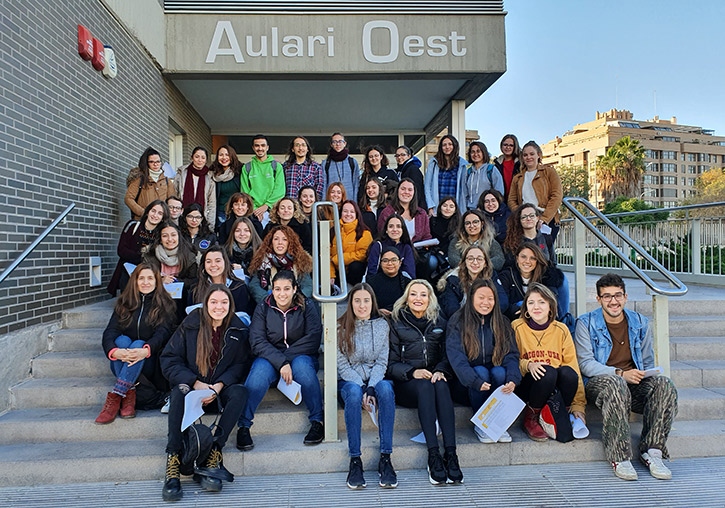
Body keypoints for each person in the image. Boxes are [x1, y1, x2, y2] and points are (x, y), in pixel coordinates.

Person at [575, 273, 678, 481]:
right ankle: (619, 456)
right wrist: (620, 374)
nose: (613, 301)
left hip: (633, 383)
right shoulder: (585, 323)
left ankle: (652, 451)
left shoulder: (639, 322)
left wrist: (648, 375)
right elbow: (585, 364)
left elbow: (647, 360)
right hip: (601, 383)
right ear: (598, 299)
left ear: (625, 296)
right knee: (615, 383)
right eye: (607, 296)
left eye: (618, 295)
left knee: (664, 384)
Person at [160, 285, 251, 501]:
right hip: (191, 390)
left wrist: (220, 385)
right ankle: (173, 458)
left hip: (218, 392)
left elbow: (241, 364)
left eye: (224, 302)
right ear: (205, 304)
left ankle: (213, 452)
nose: (219, 307)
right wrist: (194, 382)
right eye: (214, 302)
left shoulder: (237, 329)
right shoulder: (190, 324)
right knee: (178, 392)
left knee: (240, 392)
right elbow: (169, 359)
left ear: (230, 305)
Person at [237, 270, 324, 450]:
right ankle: (244, 425)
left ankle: (318, 421)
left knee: (302, 367)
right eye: (277, 289)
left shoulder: (307, 306)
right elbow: (257, 340)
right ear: (272, 290)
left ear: (295, 289)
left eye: (286, 288)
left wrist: (285, 359)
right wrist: (281, 362)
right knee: (259, 372)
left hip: (302, 356)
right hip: (270, 358)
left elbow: (313, 338)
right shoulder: (263, 307)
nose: (281, 293)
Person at [388, 280, 463, 485]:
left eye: (423, 294)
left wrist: (440, 370)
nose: (418, 299)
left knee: (440, 384)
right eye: (413, 294)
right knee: (424, 385)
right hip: (408, 384)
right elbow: (390, 363)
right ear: (406, 298)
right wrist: (412, 372)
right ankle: (433, 454)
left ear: (430, 298)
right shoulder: (396, 321)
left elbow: (450, 354)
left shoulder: (440, 321)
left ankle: (451, 453)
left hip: (434, 379)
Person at [96, 264, 177, 424]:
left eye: (150, 278)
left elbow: (163, 333)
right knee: (121, 341)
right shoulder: (124, 303)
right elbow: (110, 331)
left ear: (156, 281)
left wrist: (146, 350)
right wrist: (113, 351)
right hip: (125, 358)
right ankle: (128, 394)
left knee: (139, 343)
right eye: (141, 278)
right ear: (135, 281)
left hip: (149, 361)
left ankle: (117, 395)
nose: (145, 282)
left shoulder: (165, 303)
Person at [337, 283, 397, 489]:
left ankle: (386, 458)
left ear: (372, 303)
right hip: (349, 382)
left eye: (366, 300)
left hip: (375, 378)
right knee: (353, 394)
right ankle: (355, 460)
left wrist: (371, 388)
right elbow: (342, 364)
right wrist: (362, 388)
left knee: (386, 390)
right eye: (357, 300)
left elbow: (382, 362)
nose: (362, 305)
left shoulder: (382, 326)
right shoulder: (340, 327)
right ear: (350, 303)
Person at [446, 278, 520, 443]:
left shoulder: (502, 322)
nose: (486, 302)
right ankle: (482, 424)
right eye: (481, 297)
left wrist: (512, 379)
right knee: (480, 372)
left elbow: (512, 354)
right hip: (466, 384)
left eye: (490, 298)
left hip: (493, 382)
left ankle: (498, 423)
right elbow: (456, 357)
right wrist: (473, 380)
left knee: (500, 372)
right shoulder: (458, 320)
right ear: (472, 298)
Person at [512, 283, 586, 442]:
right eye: (531, 303)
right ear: (525, 308)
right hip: (529, 384)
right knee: (548, 372)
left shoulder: (561, 329)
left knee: (568, 373)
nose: (536, 307)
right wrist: (528, 365)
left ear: (551, 307)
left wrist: (578, 406)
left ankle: (558, 413)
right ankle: (531, 417)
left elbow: (573, 366)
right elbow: (509, 360)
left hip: (554, 387)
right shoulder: (517, 327)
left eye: (542, 302)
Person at [108, 200, 169, 296]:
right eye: (153, 211)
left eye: (160, 213)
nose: (155, 215)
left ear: (163, 218)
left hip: (149, 274)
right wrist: (142, 256)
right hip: (128, 272)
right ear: (148, 211)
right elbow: (121, 250)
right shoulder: (132, 225)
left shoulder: (162, 234)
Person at [507, 141, 563, 242]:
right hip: (526, 220)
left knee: (544, 254)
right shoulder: (517, 178)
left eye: (532, 154)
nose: (528, 157)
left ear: (539, 155)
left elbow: (557, 196)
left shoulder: (549, 172)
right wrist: (521, 214)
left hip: (547, 219)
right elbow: (511, 200)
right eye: (525, 155)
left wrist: (544, 219)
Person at [143, 222, 198, 319]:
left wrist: (175, 282)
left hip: (180, 299)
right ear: (160, 239)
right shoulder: (151, 255)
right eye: (165, 236)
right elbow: (144, 278)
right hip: (156, 297)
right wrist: (161, 280)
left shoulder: (189, 255)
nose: (170, 239)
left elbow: (194, 280)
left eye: (173, 235)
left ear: (179, 237)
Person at [497, 242, 564, 321]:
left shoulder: (547, 276)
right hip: (514, 321)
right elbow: (504, 306)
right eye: (523, 257)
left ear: (537, 260)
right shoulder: (507, 276)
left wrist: (527, 309)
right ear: (517, 258)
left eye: (532, 258)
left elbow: (551, 304)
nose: (527, 261)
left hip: (540, 320)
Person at [248, 225, 313, 303]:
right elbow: (254, 286)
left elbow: (308, 286)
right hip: (268, 304)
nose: (280, 243)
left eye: (284, 239)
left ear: (290, 242)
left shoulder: (299, 260)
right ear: (271, 242)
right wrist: (269, 300)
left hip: (294, 304)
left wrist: (294, 301)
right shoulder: (261, 260)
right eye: (276, 239)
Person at [438, 245, 508, 319]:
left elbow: (503, 302)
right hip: (463, 321)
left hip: (487, 318)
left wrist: (485, 316)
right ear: (464, 262)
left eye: (479, 259)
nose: (475, 262)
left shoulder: (491, 276)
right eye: (470, 258)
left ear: (485, 263)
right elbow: (451, 309)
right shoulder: (453, 279)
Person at [190, 246, 253, 317]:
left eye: (218, 261)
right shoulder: (196, 287)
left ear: (225, 263)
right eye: (208, 262)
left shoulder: (239, 287)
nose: (213, 265)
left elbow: (244, 316)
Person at [240, 134, 285, 224]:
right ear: (253, 148)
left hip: (273, 212)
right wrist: (255, 209)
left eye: (263, 145)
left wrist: (266, 206)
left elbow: (280, 190)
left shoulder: (276, 166)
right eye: (257, 145)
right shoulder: (247, 167)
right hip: (253, 212)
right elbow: (245, 192)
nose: (260, 148)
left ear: (267, 147)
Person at [125, 147, 176, 220]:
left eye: (158, 161)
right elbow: (128, 198)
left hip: (161, 221)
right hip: (143, 220)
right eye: (152, 162)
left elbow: (172, 201)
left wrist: (166, 215)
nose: (155, 164)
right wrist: (143, 212)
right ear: (146, 163)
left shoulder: (167, 181)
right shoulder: (139, 179)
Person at [330, 200, 373, 286]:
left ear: (357, 214)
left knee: (356, 266)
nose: (348, 214)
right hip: (337, 272)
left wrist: (337, 259)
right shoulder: (333, 231)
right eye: (345, 211)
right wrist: (331, 274)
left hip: (354, 274)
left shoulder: (364, 233)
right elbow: (327, 255)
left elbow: (361, 255)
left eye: (352, 212)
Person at [377, 178, 431, 243]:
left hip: (418, 251)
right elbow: (382, 236)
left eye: (410, 190)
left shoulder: (421, 213)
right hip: (393, 250)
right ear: (397, 191)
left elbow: (426, 237)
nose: (406, 192)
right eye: (403, 189)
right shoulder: (387, 213)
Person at [424, 134, 467, 216]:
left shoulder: (461, 165)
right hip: (437, 208)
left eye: (450, 144)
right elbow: (427, 186)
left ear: (455, 146)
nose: (447, 147)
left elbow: (463, 190)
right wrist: (430, 207)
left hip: (454, 209)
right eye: (444, 145)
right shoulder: (434, 163)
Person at [174, 146, 216, 229]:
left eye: (203, 158)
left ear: (206, 160)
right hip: (182, 217)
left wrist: (210, 224)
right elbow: (175, 195)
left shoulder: (210, 177)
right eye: (197, 157)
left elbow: (212, 203)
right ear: (192, 158)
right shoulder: (181, 174)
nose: (200, 160)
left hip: (201, 218)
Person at [366, 214, 416, 279]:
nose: (395, 229)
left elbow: (410, 274)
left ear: (402, 230)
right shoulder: (378, 246)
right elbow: (371, 272)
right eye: (391, 226)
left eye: (398, 226)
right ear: (386, 230)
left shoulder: (406, 248)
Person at [366, 246, 411, 315]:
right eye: (385, 260)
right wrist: (378, 311)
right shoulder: (371, 282)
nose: (390, 263)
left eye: (394, 260)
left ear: (400, 262)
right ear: (380, 263)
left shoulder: (408, 283)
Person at [459, 141, 504, 211]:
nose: (475, 154)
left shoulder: (491, 170)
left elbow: (499, 193)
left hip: (487, 211)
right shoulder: (468, 172)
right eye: (473, 152)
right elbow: (463, 195)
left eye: (478, 151)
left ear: (483, 153)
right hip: (470, 211)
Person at [210, 145, 243, 230]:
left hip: (238, 210)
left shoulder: (241, 171)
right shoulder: (213, 173)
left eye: (227, 155)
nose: (224, 157)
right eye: (221, 155)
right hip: (221, 211)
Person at [322, 132, 360, 202]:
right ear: (331, 144)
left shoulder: (352, 162)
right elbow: (323, 185)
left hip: (348, 203)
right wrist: (324, 203)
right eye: (334, 142)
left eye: (340, 141)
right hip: (331, 203)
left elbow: (356, 184)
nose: (337, 144)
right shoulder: (326, 163)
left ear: (344, 143)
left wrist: (355, 203)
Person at [393, 145, 426, 209]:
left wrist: (413, 208)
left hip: (414, 207)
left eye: (403, 155)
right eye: (397, 155)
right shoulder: (401, 170)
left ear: (409, 156)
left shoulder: (413, 169)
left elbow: (417, 191)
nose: (399, 157)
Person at [493, 134, 521, 200]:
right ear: (501, 146)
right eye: (505, 145)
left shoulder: (521, 163)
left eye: (511, 145)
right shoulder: (496, 165)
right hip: (502, 200)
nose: (508, 147)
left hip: (517, 199)